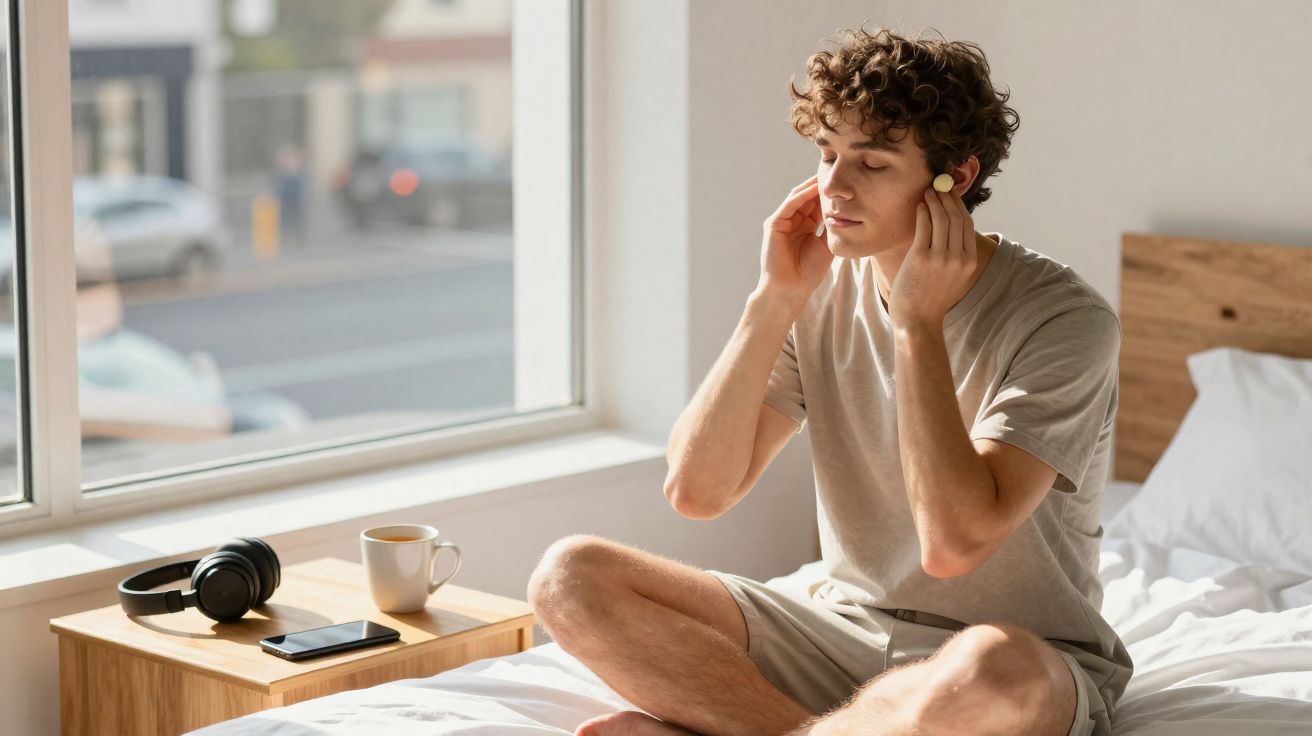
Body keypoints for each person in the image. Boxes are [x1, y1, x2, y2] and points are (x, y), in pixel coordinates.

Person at [528, 23, 1132, 736]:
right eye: (826, 154)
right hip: (840, 628)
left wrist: (916, 326)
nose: (833, 186)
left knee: (992, 671)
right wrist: (772, 299)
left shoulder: (1065, 320)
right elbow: (698, 491)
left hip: (1013, 662)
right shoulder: (819, 290)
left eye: (871, 164)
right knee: (569, 578)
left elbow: (952, 545)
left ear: (957, 177)